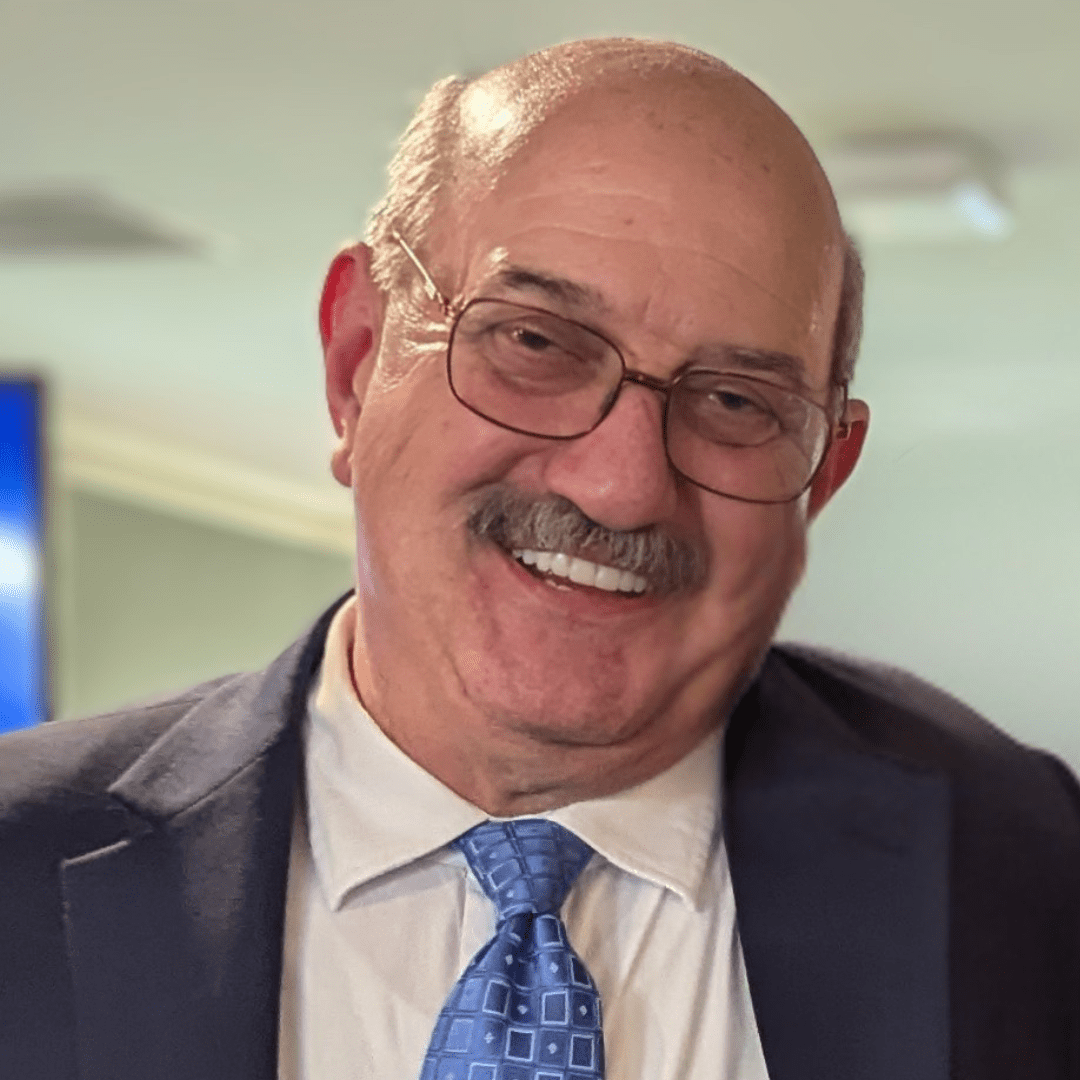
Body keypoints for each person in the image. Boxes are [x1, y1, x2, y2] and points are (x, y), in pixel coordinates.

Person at [1, 37, 1077, 1080]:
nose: (621, 483)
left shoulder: (1030, 878)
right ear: (358, 361)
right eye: (536, 342)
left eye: (738, 402)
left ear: (821, 478)